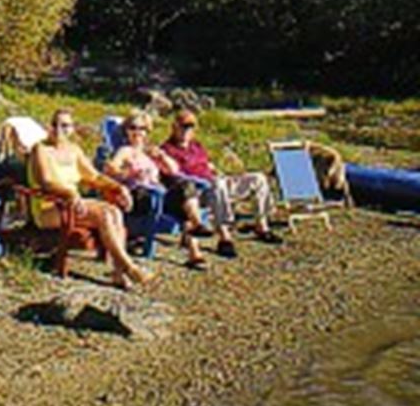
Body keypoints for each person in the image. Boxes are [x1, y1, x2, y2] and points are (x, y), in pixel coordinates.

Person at [28, 108, 153, 288]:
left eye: (65, 125)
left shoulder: (74, 150)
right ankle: (130, 267)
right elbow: (46, 181)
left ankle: (119, 272)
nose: (58, 129)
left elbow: (93, 176)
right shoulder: (41, 149)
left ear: (73, 129)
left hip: (73, 204)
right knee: (105, 215)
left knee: (115, 212)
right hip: (50, 207)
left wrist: (118, 187)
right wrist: (70, 193)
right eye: (55, 124)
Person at [161, 109, 283, 259]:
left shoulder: (196, 146)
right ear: (174, 127)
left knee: (258, 179)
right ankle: (224, 236)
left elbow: (208, 165)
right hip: (197, 191)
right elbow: (174, 177)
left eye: (191, 126)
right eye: (184, 126)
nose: (187, 130)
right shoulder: (167, 149)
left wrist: (219, 171)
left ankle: (262, 226)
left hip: (215, 180)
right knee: (217, 184)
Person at [104, 110, 210, 269]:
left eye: (142, 129)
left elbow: (174, 171)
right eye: (133, 128)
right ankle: (194, 245)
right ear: (126, 131)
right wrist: (127, 173)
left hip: (158, 194)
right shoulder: (125, 151)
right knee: (167, 197)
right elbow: (110, 168)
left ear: (148, 131)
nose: (138, 132)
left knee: (185, 189)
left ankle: (195, 236)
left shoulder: (151, 152)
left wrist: (162, 158)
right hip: (138, 195)